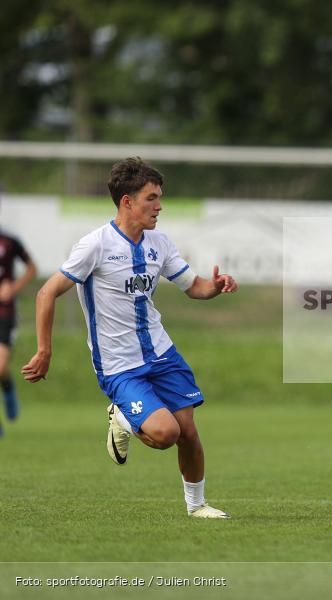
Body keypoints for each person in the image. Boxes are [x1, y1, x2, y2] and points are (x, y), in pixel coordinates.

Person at [21, 158, 237, 519]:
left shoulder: (160, 243)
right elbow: (46, 294)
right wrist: (45, 350)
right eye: (151, 198)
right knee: (165, 433)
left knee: (188, 431)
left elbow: (194, 288)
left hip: (162, 354)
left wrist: (215, 287)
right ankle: (121, 416)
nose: (159, 206)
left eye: (159, 197)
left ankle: (197, 506)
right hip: (120, 365)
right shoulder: (95, 245)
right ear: (127, 202)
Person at [0, 196, 37, 436]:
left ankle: (8, 386)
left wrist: (13, 288)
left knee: (0, 367)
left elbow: (32, 267)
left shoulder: (10, 241)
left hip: (5, 313)